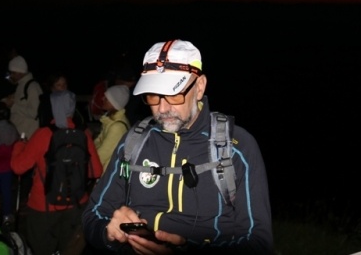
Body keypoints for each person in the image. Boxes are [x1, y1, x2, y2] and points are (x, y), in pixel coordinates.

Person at [82, 39, 274, 254]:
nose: (162, 108)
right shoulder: (134, 141)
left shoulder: (237, 146)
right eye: (153, 95)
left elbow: (258, 241)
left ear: (199, 87)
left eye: (173, 94)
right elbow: (93, 215)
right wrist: (110, 234)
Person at [11, 89, 103, 255]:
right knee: (70, 250)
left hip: (43, 206)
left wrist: (19, 145)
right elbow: (96, 171)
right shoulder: (83, 134)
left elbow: (18, 167)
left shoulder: (42, 134)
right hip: (76, 204)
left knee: (41, 250)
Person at [92, 84, 131, 173]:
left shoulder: (117, 127)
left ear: (114, 103)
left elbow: (102, 155)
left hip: (109, 173)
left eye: (106, 98)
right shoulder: (110, 121)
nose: (103, 99)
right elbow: (98, 141)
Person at [3, 55, 41, 140]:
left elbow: (35, 112)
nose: (11, 75)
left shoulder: (32, 87)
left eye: (13, 73)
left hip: (28, 135)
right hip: (21, 134)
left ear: (20, 72)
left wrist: (13, 106)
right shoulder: (21, 85)